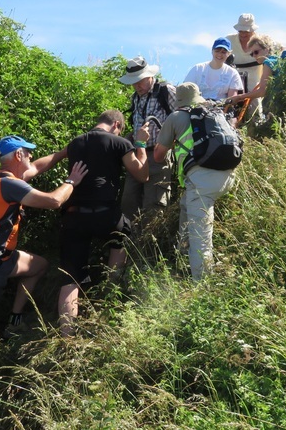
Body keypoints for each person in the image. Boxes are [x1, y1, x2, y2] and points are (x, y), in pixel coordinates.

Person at [0, 135, 88, 377]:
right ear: (18, 156)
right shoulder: (9, 185)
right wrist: (72, 181)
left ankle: (14, 322)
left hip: (3, 258)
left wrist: (63, 153)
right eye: (28, 152)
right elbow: (54, 201)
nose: (31, 157)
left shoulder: (1, 178)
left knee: (39, 266)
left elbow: (36, 167)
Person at [57, 110, 150, 336]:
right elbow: (142, 175)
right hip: (107, 214)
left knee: (70, 277)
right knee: (120, 239)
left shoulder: (76, 143)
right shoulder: (119, 143)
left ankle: (66, 337)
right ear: (117, 125)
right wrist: (140, 144)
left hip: (75, 215)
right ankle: (109, 300)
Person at [154, 83, 236, 281]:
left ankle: (202, 287)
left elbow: (158, 156)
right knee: (185, 206)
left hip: (203, 182)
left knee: (201, 237)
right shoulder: (212, 111)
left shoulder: (175, 117)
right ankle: (182, 258)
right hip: (227, 175)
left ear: (179, 100)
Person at [118, 56, 177, 222]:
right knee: (128, 202)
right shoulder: (136, 97)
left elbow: (183, 118)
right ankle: (129, 243)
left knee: (154, 206)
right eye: (134, 82)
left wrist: (170, 143)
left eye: (140, 80)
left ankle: (149, 246)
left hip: (159, 155)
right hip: (137, 155)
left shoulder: (167, 91)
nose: (137, 85)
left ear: (149, 76)